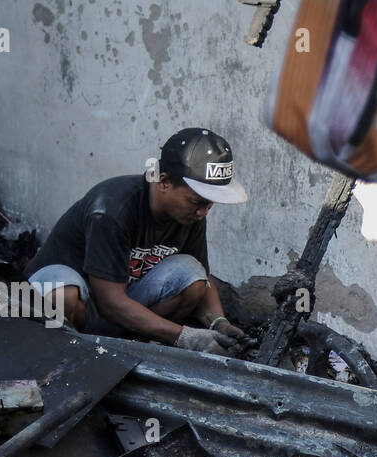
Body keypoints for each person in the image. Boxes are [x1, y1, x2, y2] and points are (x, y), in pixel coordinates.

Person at [27, 127, 249, 354]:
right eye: (197, 202)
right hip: (61, 302)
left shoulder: (191, 215)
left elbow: (203, 275)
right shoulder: (111, 211)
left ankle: (125, 345)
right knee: (63, 293)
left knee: (193, 277)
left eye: (209, 204)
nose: (203, 212)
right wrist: (184, 337)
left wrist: (219, 323)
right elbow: (110, 302)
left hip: (117, 312)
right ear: (163, 182)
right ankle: (64, 354)